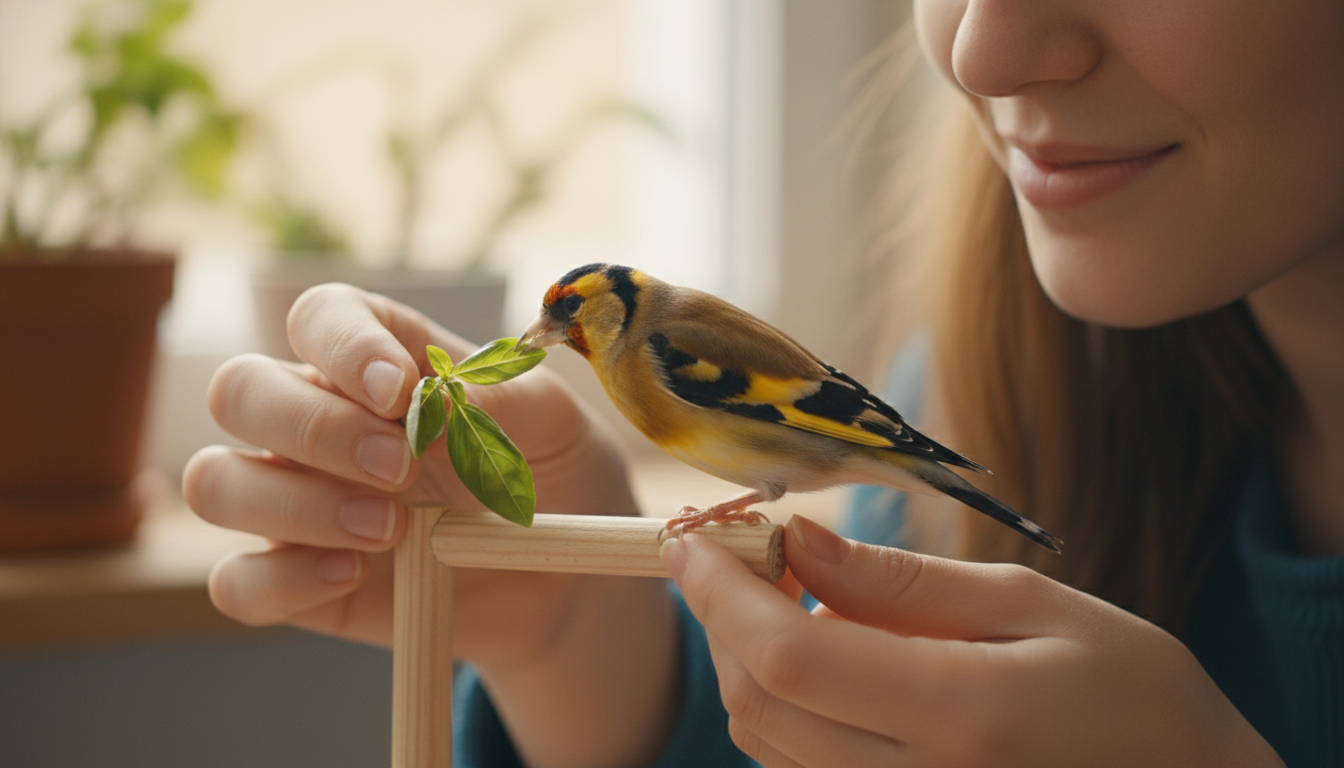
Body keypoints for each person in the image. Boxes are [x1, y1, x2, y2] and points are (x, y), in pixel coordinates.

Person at [183, 0, 1343, 765]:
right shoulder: (989, 385)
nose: (981, 48)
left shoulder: (680, 357)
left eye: (569, 318)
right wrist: (589, 641)